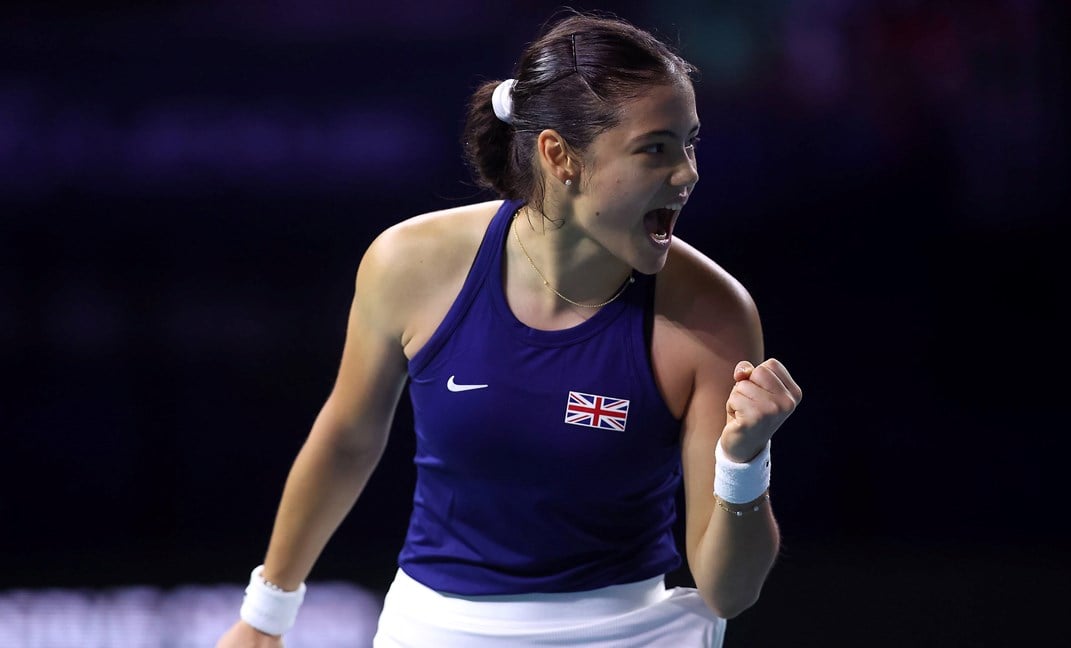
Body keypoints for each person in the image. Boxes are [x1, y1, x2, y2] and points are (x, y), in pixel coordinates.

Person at [216, 10, 801, 648]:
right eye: (655, 149)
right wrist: (263, 617)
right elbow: (348, 438)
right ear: (560, 156)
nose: (687, 174)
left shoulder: (714, 315)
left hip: (633, 631)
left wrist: (744, 462)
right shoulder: (409, 264)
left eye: (689, 143)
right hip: (438, 626)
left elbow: (728, 591)